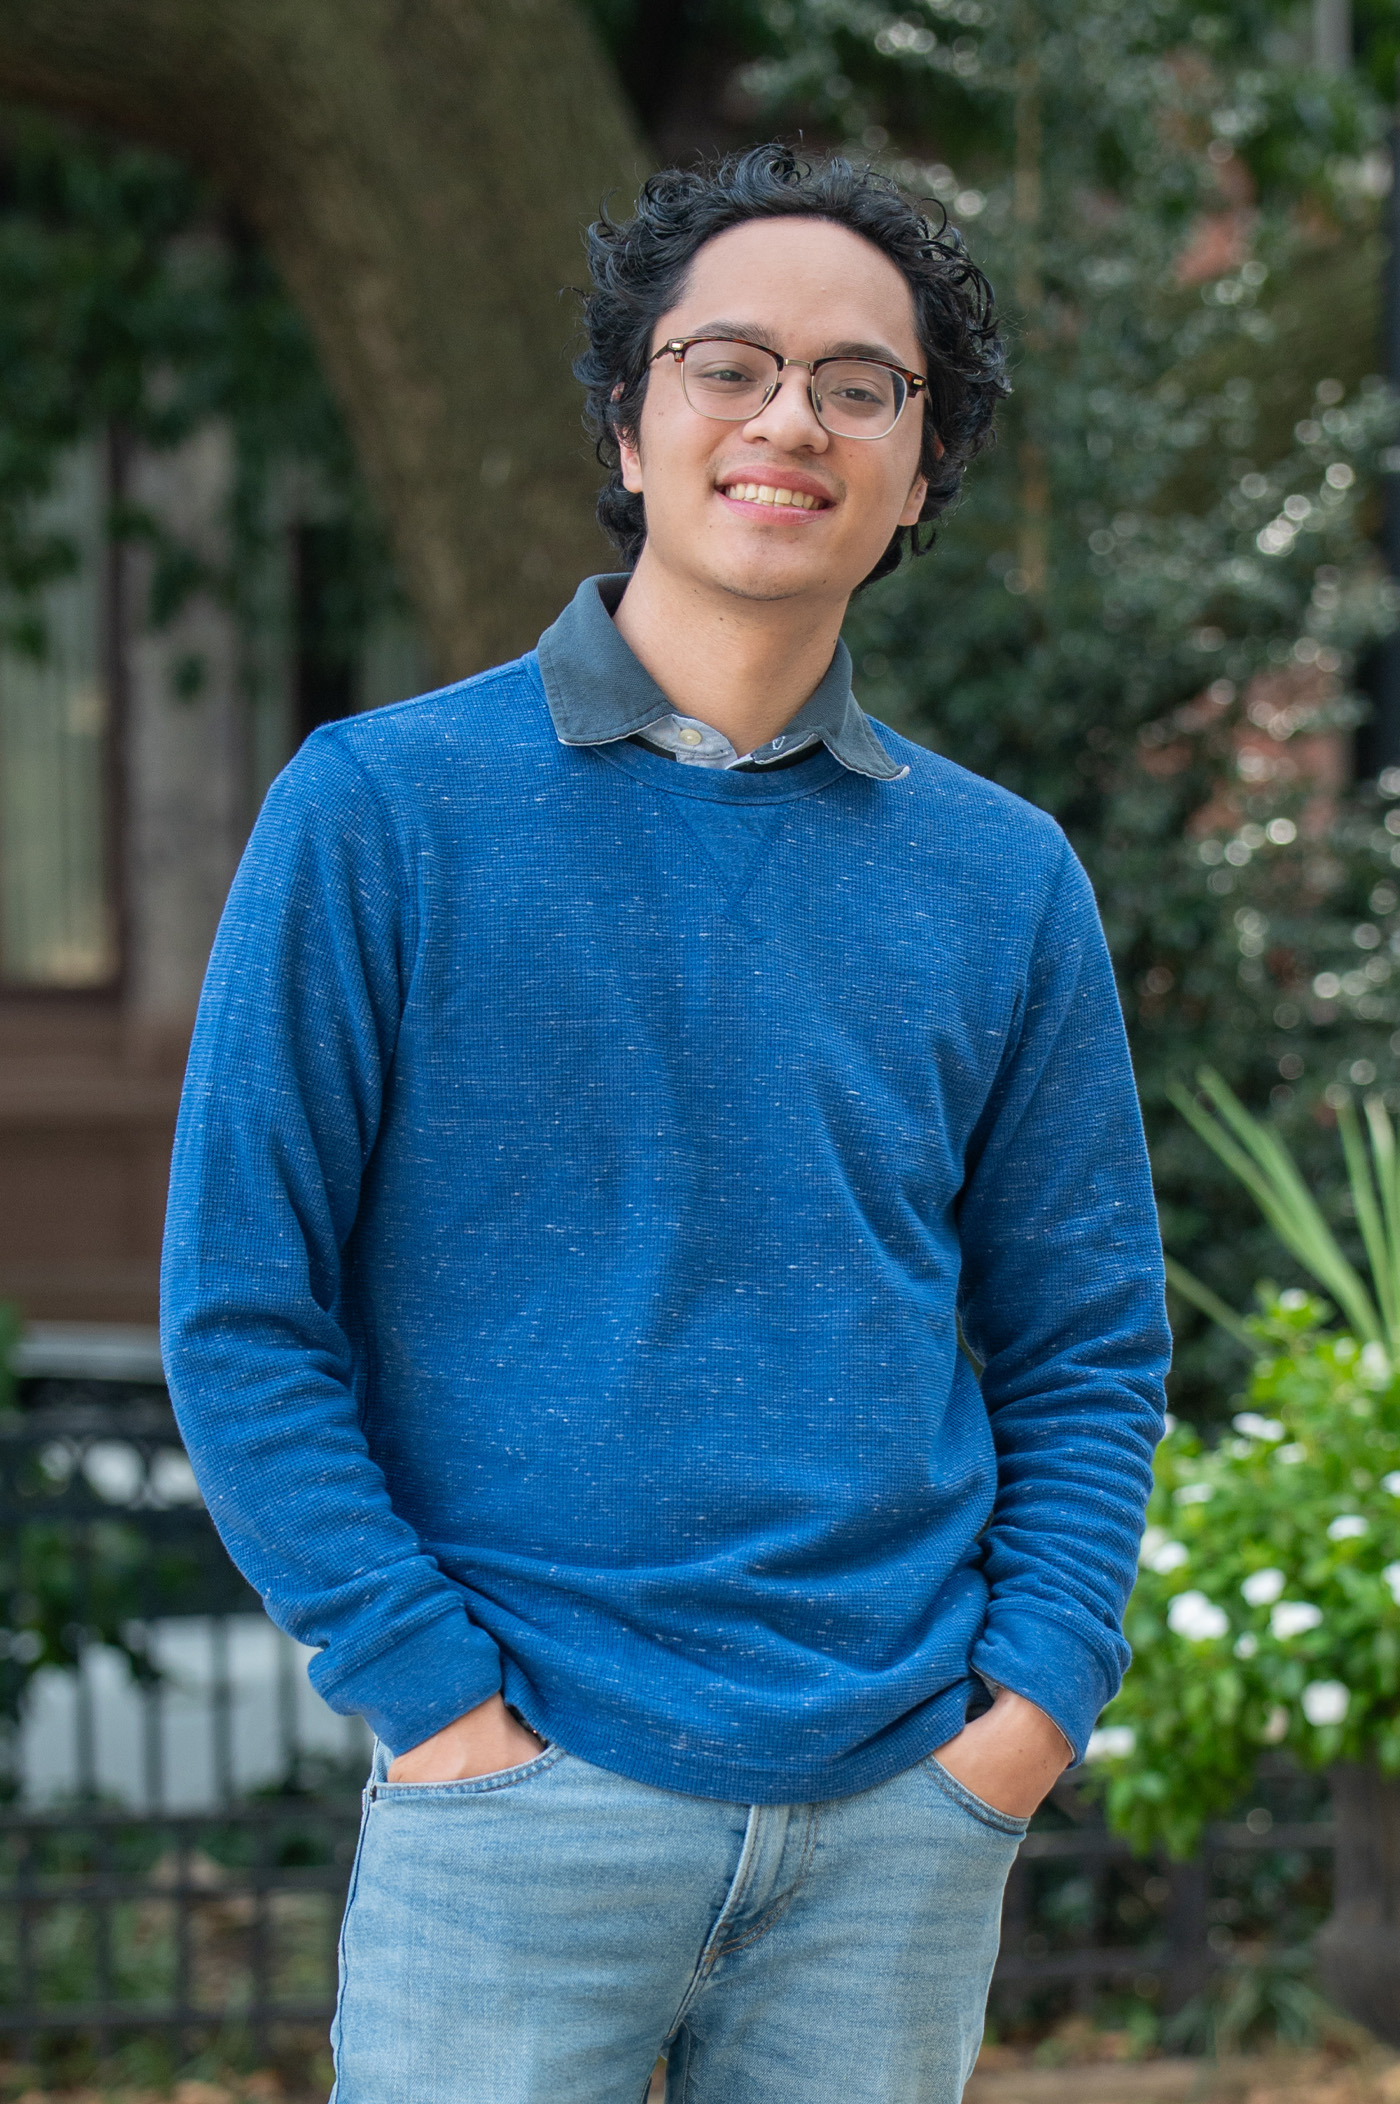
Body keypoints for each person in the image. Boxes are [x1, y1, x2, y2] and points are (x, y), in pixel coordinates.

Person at [161, 145, 1169, 2104]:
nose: (790, 420)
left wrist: (1030, 1710)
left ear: (920, 472)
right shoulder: (380, 812)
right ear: (630, 427)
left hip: (899, 1820)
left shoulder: (1001, 879)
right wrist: (433, 1702)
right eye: (729, 366)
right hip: (516, 1801)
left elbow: (1089, 1343)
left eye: (861, 385)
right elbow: (241, 1312)